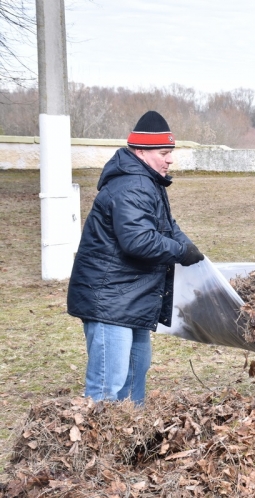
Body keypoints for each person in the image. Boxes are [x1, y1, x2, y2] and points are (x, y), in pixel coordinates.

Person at [67, 111, 205, 405]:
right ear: (141, 151)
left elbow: (166, 226)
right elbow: (138, 241)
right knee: (108, 387)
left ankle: (130, 445)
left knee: (133, 383)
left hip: (130, 299)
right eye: (164, 153)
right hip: (109, 301)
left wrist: (190, 248)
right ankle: (98, 448)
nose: (170, 160)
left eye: (171, 153)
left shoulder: (147, 181)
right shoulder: (132, 184)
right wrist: (180, 252)